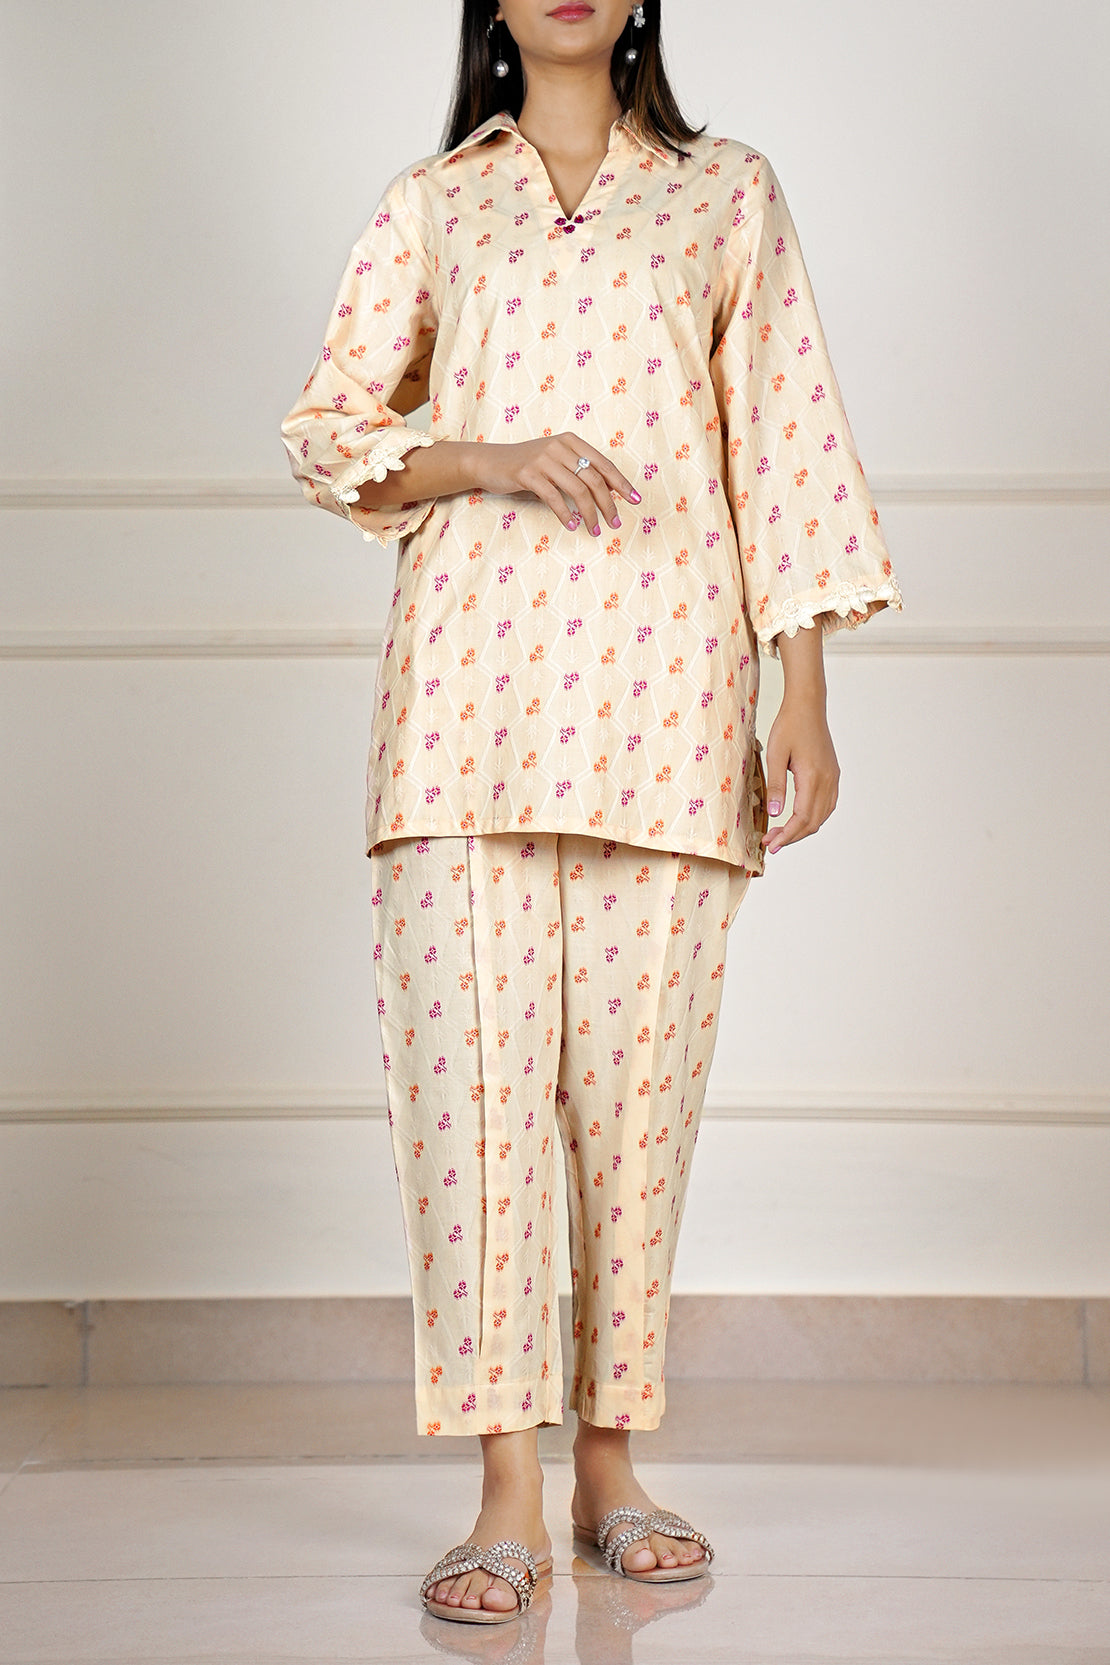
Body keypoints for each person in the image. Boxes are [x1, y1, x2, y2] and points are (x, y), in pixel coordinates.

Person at [280, 0, 902, 1628]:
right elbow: (329, 431)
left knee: (635, 1113)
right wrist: (484, 453)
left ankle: (610, 1470)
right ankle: (504, 1490)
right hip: (461, 717)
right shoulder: (437, 202)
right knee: (475, 1111)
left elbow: (783, 445)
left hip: (667, 706)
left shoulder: (723, 191)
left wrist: (802, 688)